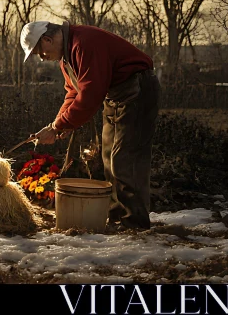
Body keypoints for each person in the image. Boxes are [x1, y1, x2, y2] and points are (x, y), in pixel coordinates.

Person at [20, 20, 161, 230]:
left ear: (47, 39)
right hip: (115, 96)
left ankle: (134, 224)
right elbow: (73, 93)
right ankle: (117, 218)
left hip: (137, 91)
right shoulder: (67, 58)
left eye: (40, 52)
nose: (42, 58)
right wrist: (56, 125)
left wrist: (59, 126)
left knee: (125, 158)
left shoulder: (83, 44)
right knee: (108, 159)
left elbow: (90, 95)